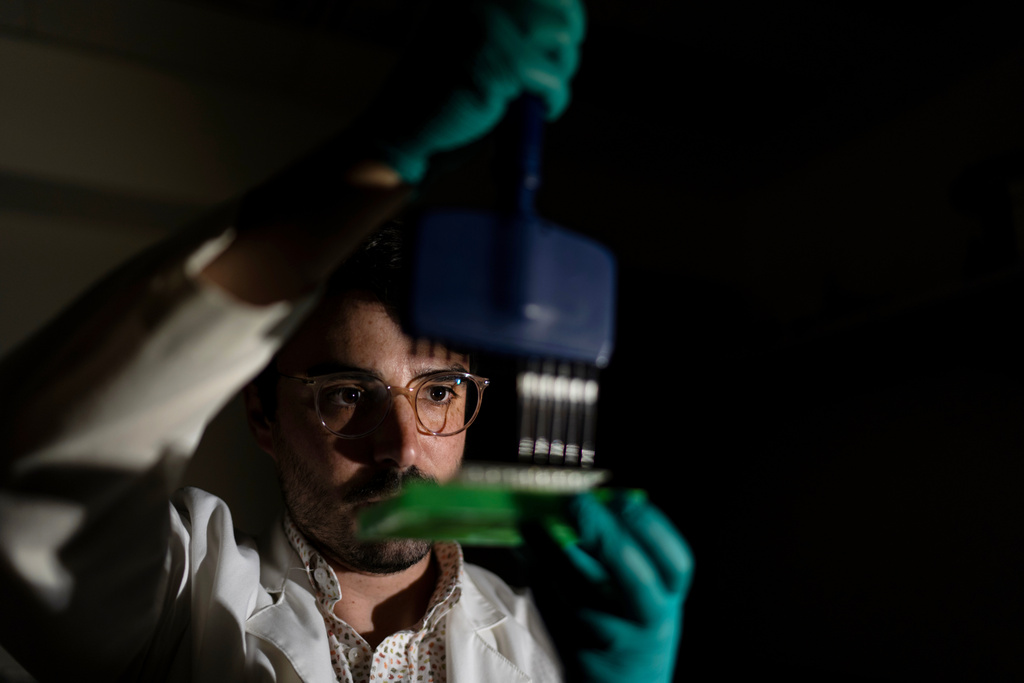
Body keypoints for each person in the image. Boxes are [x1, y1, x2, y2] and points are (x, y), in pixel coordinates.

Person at [0, 1, 692, 681]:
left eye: (440, 392)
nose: (403, 447)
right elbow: (28, 479)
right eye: (349, 394)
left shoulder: (550, 647)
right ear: (263, 415)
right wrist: (375, 163)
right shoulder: (178, 599)